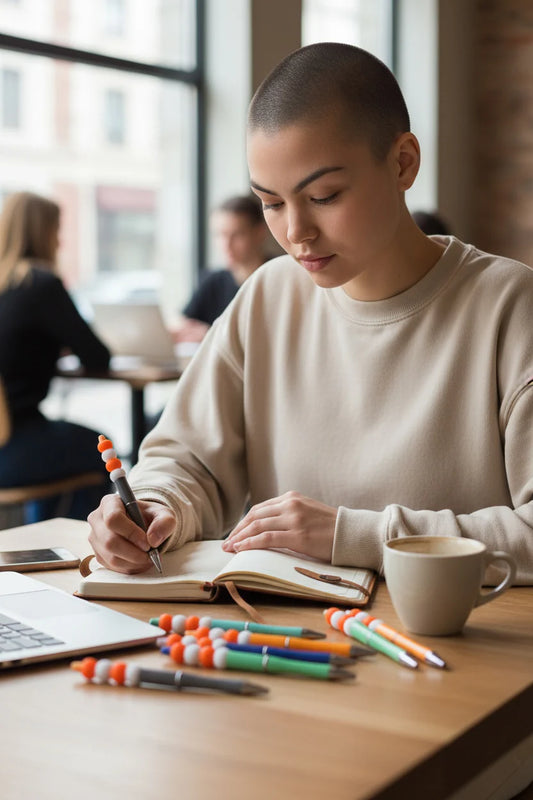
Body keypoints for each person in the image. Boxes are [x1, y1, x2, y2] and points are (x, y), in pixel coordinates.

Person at [88, 43, 533, 588]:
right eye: (271, 204)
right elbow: (186, 460)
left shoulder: (510, 306)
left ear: (403, 163)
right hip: (290, 644)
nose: (295, 232)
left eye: (323, 195)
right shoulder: (268, 297)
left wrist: (354, 535)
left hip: (461, 651)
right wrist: (156, 507)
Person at [0, 191, 111, 522]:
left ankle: (46, 547)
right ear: (43, 232)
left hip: (7, 441)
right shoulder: (41, 284)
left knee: (67, 445)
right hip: (11, 446)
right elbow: (97, 356)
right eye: (56, 230)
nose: (60, 242)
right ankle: (75, 555)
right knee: (103, 450)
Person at [171, 194, 271, 343]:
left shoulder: (279, 277)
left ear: (259, 233)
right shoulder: (213, 281)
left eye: (237, 235)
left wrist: (211, 335)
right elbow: (182, 324)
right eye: (220, 235)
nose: (226, 245)